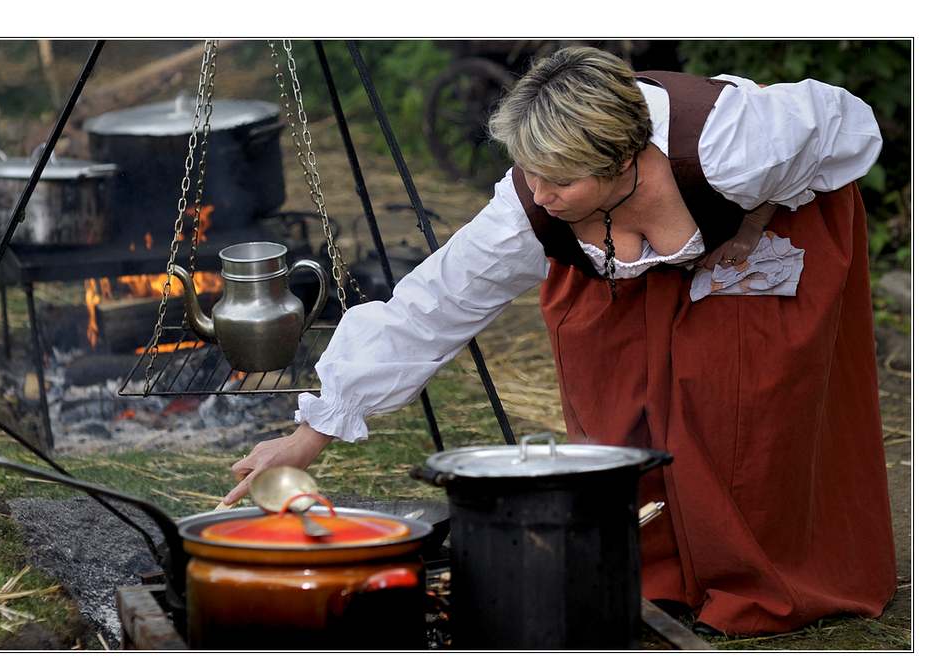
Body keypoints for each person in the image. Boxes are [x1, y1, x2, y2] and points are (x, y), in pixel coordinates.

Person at [222, 46, 897, 636]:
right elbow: (434, 303)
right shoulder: (531, 204)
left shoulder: (733, 144)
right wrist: (311, 433)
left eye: (560, 181)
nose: (538, 194)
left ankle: (764, 589)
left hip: (764, 246)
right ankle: (655, 576)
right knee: (619, 416)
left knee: (740, 409)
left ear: (623, 161)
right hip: (614, 261)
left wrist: (756, 216)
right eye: (530, 171)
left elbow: (846, 123)